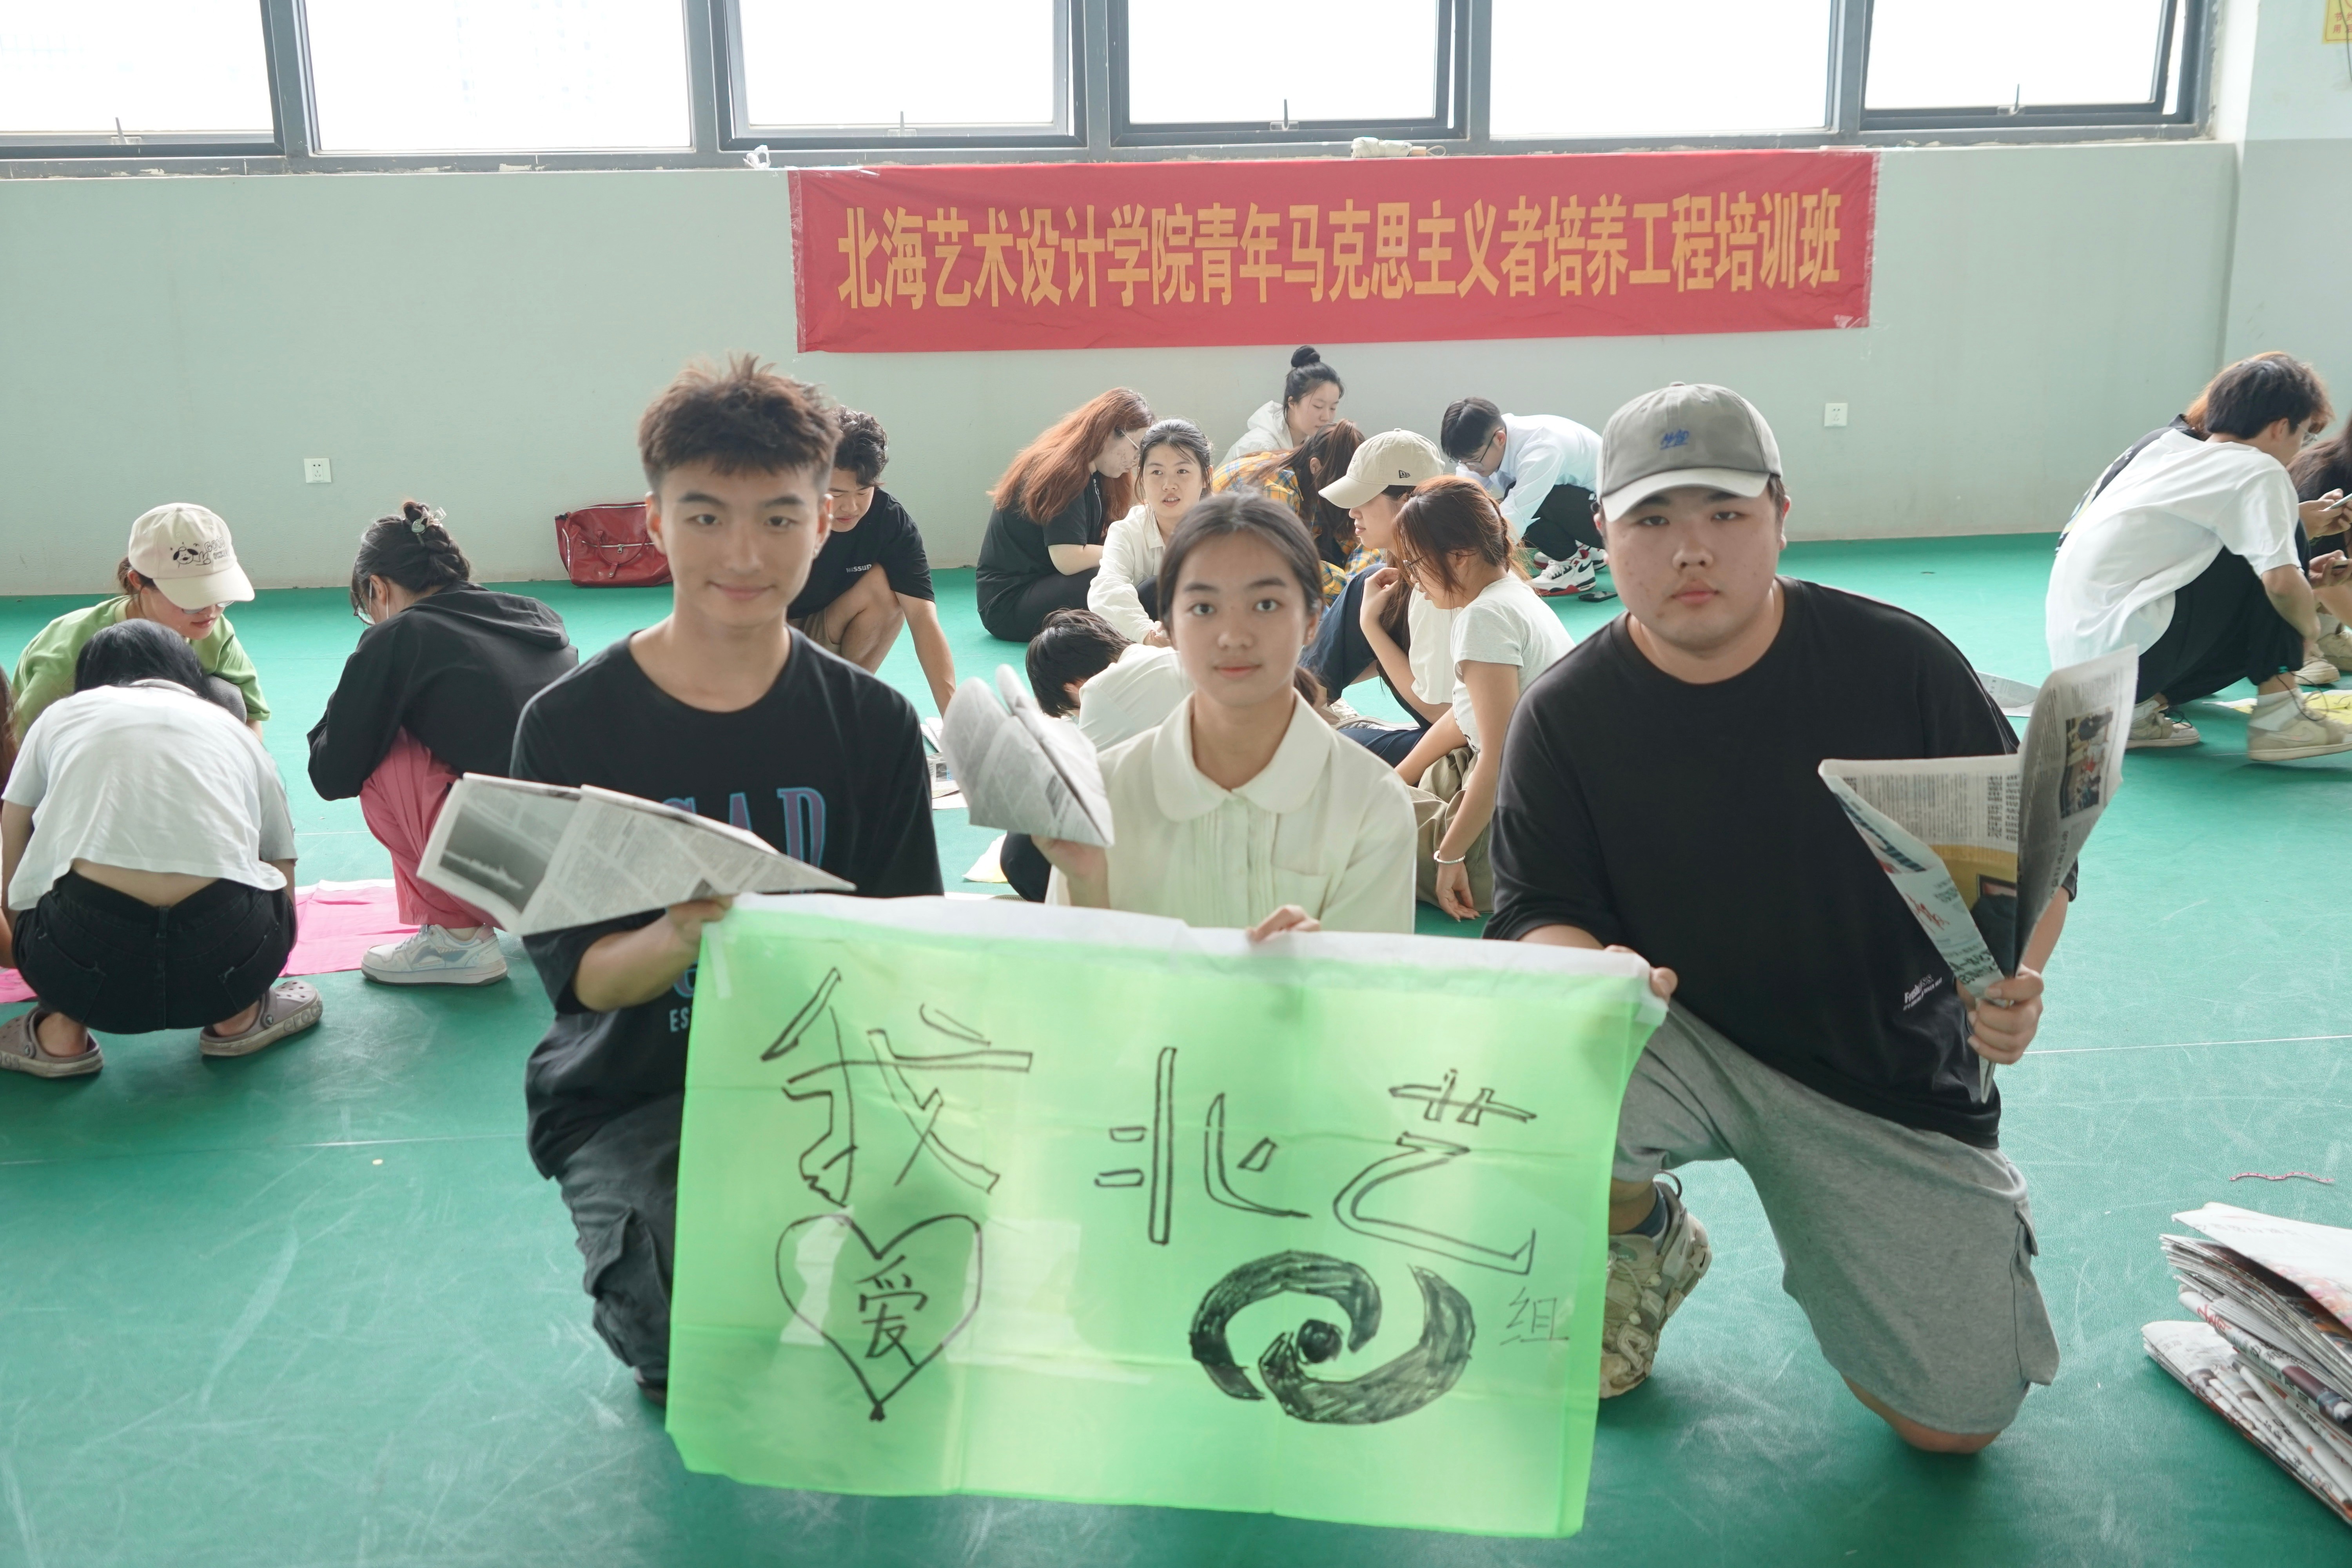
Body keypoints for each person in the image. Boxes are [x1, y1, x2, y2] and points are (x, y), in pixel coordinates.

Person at [1488, 381, 2069, 1453]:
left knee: (1954, 1425)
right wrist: (1592, 978)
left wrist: (2012, 979)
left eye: (1725, 512)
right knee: (1523, 1064)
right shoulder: (1564, 716)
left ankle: (1879, 1248)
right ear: (1603, 531)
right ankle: (1639, 1232)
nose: (1690, 550)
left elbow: (2031, 865)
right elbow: (1537, 911)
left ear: (1781, 515)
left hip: (1874, 1061)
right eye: (1652, 519)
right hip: (1675, 1036)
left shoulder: (1899, 664)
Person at [512, 355, 940, 1405]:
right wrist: (683, 934)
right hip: (639, 1087)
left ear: (824, 522)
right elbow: (587, 981)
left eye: (779, 518)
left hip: (826, 1078)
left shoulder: (874, 725)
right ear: (654, 522)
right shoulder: (568, 727)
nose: (743, 554)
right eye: (705, 517)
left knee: (943, 1281)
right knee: (684, 1336)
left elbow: (901, 956)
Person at [1034, 494, 1415, 936]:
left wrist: (1318, 966)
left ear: (1313, 620)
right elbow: (1075, 974)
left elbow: (1369, 975)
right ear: (1168, 627)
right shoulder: (1104, 795)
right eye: (1204, 608)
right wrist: (1088, 891)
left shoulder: (1372, 802)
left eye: (1266, 605)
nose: (1233, 636)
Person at [2, 621, 322, 1078]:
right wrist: (265, 958)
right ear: (187, 673)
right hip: (227, 963)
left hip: (80, 965)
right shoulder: (232, 729)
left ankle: (60, 1032)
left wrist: (34, 956)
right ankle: (242, 1016)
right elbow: (280, 852)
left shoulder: (60, 716)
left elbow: (13, 827)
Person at [307, 502, 578, 987]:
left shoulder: (401, 635)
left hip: (519, 880)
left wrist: (367, 670)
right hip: (588, 878)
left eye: (367, 608)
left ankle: (457, 941)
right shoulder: (535, 614)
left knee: (385, 748)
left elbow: (332, 773)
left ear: (378, 589)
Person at [2046, 352, 2352, 762]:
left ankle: (2134, 716)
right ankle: (2283, 720)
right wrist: (2307, 627)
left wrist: (2304, 582)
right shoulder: (2259, 470)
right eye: (2303, 435)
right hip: (2127, 661)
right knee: (2284, 542)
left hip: (2085, 672)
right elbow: (2279, 584)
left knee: (2278, 559)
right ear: (2282, 427)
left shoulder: (2164, 448)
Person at [1388, 477, 1573, 921]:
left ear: (1460, 555)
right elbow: (1464, 715)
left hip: (1522, 829)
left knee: (1351, 817)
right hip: (1545, 800)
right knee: (1392, 787)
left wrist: (1450, 856)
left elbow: (1500, 754)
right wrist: (1396, 778)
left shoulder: (1484, 618)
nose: (1413, 579)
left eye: (1415, 563)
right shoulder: (1513, 593)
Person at [10, 503, 270, 744]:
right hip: (87, 744)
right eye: (192, 601)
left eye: (222, 596)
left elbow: (251, 717)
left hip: (167, 741)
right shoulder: (72, 655)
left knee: (224, 696)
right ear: (138, 582)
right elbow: (21, 744)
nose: (211, 612)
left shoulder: (213, 629)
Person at [1301, 430, 1462, 766]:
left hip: (1459, 745)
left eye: (1364, 498)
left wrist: (1371, 628)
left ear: (1406, 502)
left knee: (1325, 752)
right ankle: (1293, 702)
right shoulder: (1426, 562)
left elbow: (1448, 718)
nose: (1352, 512)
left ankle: (1289, 709)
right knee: (1369, 582)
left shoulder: (1438, 587)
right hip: (1447, 726)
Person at [791, 410, 960, 713]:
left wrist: (954, 716)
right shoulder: (780, 516)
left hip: (823, 630)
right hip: (763, 635)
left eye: (863, 491)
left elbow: (922, 618)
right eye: (836, 494)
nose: (850, 507)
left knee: (888, 588)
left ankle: (845, 704)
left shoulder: (890, 521)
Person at [975, 389, 1153, 643]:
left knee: (1123, 577)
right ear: (1108, 433)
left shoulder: (1095, 474)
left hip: (1044, 583)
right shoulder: (1064, 472)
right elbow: (1068, 558)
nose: (1136, 461)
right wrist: (1134, 552)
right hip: (1009, 605)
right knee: (1104, 580)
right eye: (1136, 448)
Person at [1440, 397, 1611, 599]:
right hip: (1589, 505)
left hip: (1614, 522)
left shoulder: (1541, 449)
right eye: (1463, 462)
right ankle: (1584, 549)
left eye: (1475, 461)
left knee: (1520, 507)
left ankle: (1574, 568)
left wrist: (1473, 568)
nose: (1471, 468)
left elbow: (1517, 515)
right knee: (1493, 508)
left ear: (1500, 439)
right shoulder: (1491, 438)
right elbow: (1465, 495)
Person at [1212, 421, 1378, 603]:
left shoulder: (1310, 476)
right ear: (1315, 467)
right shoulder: (1274, 487)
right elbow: (1280, 561)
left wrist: (1357, 582)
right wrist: (1350, 588)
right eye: (1342, 484)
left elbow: (1365, 539)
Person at [1089, 419, 1213, 643]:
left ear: (1206, 477)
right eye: (1157, 472)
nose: (1168, 485)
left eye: (1182, 471)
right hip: (1148, 645)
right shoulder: (1127, 532)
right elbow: (1106, 589)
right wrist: (1148, 634)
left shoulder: (1227, 532)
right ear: (1142, 477)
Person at [1224, 346, 1343, 465]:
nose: (1326, 417)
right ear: (1292, 403)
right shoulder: (1262, 447)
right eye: (1318, 406)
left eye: (1333, 408)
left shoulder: (1309, 439)